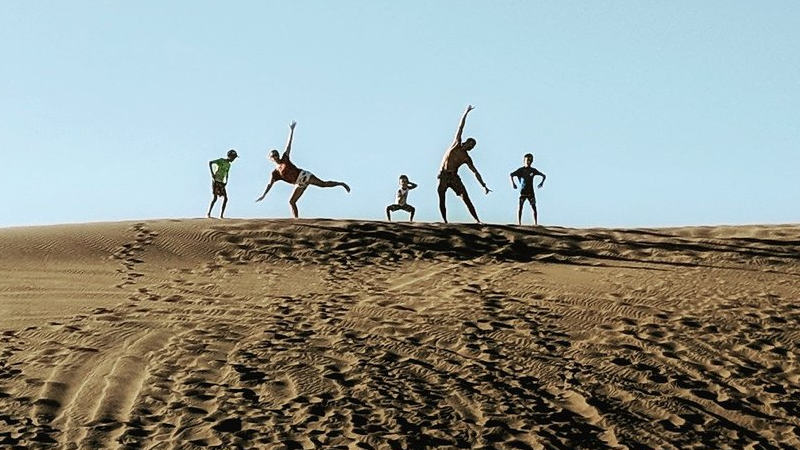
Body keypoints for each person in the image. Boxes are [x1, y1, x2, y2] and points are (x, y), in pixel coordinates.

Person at [256, 121, 350, 218]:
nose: (275, 157)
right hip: (299, 183)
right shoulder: (275, 173)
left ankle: (341, 184)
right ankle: (297, 221)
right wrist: (264, 195)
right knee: (292, 202)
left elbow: (289, 145)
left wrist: (291, 130)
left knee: (323, 184)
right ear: (270, 158)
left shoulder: (285, 158)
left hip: (303, 175)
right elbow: (269, 185)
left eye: (276, 154)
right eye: (273, 156)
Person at [437, 105, 491, 223]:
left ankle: (477, 220)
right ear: (466, 142)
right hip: (444, 175)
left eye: (472, 147)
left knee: (465, 197)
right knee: (442, 197)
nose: (470, 147)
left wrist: (483, 185)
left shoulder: (466, 157)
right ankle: (445, 221)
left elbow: (475, 172)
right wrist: (466, 113)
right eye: (470, 144)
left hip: (454, 177)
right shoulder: (456, 144)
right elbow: (460, 127)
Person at [510, 153, 546, 225]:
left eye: (530, 160)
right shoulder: (521, 170)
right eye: (527, 160)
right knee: (520, 207)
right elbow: (511, 174)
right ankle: (519, 223)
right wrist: (513, 184)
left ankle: (535, 223)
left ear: (532, 161)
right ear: (524, 160)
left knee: (534, 207)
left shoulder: (533, 170)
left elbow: (544, 175)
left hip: (531, 192)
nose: (528, 161)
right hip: (523, 192)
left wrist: (541, 183)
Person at [207, 149, 238, 219]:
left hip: (221, 182)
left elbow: (227, 173)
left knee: (225, 198)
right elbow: (210, 162)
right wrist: (212, 174)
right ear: (229, 156)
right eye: (233, 157)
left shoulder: (229, 165)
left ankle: (221, 215)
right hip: (216, 181)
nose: (233, 159)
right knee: (215, 198)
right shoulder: (221, 160)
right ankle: (209, 213)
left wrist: (226, 181)